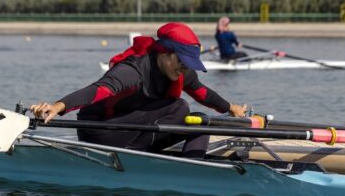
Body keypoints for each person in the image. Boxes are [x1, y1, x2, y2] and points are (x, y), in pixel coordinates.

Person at [31, 22, 247, 159]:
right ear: (164, 53)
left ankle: (194, 167)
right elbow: (97, 91)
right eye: (181, 61)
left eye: (188, 63)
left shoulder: (181, 70)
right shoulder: (133, 70)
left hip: (135, 129)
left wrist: (232, 108)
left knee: (201, 122)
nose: (184, 68)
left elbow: (203, 93)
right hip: (101, 132)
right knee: (180, 106)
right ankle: (141, 160)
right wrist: (58, 106)